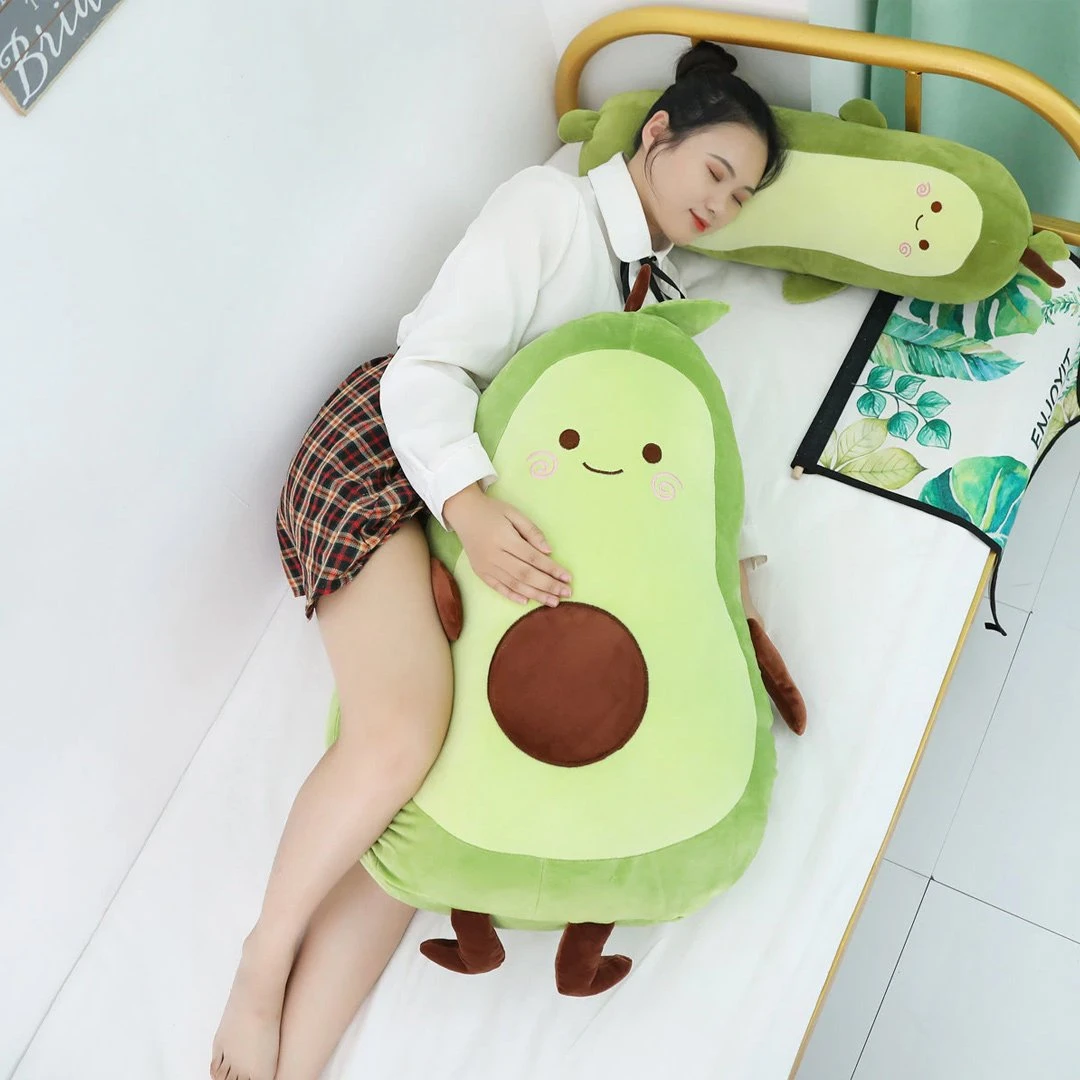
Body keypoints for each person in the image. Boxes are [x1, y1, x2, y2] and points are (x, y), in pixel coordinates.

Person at [210, 39, 787, 1080]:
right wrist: (469, 511)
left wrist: (718, 577)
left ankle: (294, 1065)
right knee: (405, 731)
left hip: (484, 503)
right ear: (658, 133)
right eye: (715, 171)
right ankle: (260, 968)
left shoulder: (653, 298)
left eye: (742, 196)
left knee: (444, 790)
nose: (722, 203)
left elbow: (660, 452)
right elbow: (426, 367)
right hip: (389, 457)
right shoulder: (549, 210)